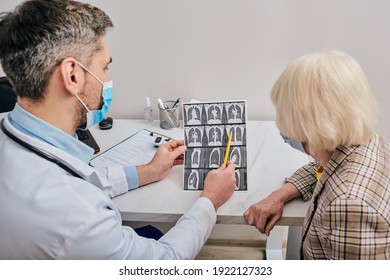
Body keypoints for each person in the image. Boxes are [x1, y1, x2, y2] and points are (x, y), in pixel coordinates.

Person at [0, 0, 236, 259]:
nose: (108, 80)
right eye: (104, 67)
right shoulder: (78, 217)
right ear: (73, 76)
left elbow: (78, 177)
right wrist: (210, 200)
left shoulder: (11, 132)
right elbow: (168, 263)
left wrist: (149, 171)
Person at [244, 51, 390, 260]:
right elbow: (321, 169)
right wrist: (279, 196)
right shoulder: (364, 140)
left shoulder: (349, 206)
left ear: (308, 122)